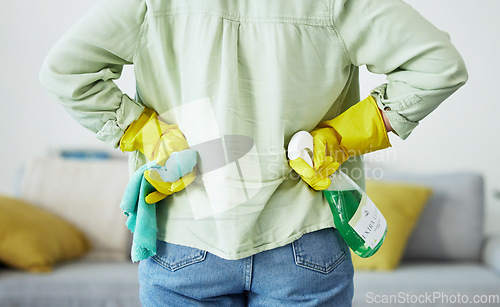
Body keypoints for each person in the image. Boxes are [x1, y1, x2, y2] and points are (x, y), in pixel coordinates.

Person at [39, 0, 467, 305]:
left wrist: (145, 131)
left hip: (186, 243)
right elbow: (440, 66)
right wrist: (339, 137)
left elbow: (64, 71)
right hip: (305, 241)